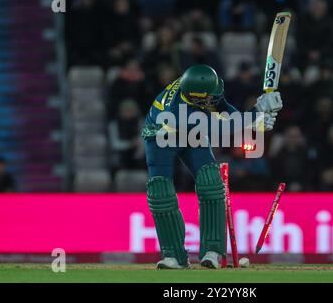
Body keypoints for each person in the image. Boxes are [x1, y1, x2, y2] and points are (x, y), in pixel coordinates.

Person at [141, 64, 282, 269]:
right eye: (208, 97)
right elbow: (222, 128)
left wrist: (256, 121)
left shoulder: (203, 89)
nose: (214, 98)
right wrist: (256, 114)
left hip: (191, 133)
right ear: (196, 98)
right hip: (159, 137)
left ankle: (213, 251)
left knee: (211, 183)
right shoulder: (177, 110)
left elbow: (223, 108)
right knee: (160, 192)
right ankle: (173, 256)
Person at [108, 100, 145, 171]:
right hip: (120, 156)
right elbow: (114, 144)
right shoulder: (114, 125)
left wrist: (137, 147)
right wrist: (130, 144)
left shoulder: (141, 122)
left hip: (138, 157)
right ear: (120, 111)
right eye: (126, 110)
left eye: (131, 110)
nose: (129, 113)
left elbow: (143, 141)